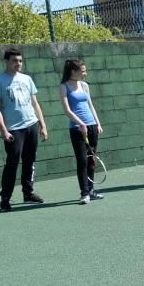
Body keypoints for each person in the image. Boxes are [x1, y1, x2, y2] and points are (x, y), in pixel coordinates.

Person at [0, 47, 49, 211]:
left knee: (30, 161)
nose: (18, 64)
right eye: (15, 61)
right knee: (12, 163)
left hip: (31, 124)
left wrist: (42, 125)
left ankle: (28, 192)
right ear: (6, 61)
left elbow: (35, 103)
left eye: (21, 61)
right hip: (13, 129)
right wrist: (4, 130)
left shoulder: (27, 79)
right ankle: (5, 198)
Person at [59, 58, 104, 204]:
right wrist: (80, 123)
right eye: (83, 71)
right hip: (77, 129)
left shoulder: (84, 85)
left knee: (91, 160)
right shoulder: (64, 87)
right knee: (82, 161)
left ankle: (91, 191)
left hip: (92, 127)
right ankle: (84, 193)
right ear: (73, 71)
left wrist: (97, 123)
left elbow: (91, 106)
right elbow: (67, 110)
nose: (85, 74)